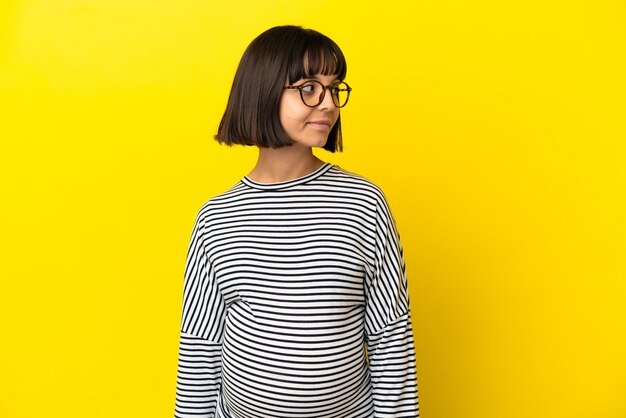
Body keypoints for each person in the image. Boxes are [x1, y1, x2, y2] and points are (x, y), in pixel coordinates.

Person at [174, 25, 419, 418]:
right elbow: (200, 348)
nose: (327, 104)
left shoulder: (363, 203)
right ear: (263, 91)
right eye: (308, 87)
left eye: (334, 87)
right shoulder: (216, 218)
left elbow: (392, 338)